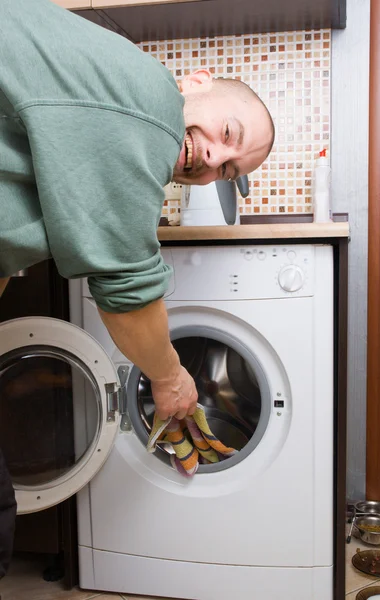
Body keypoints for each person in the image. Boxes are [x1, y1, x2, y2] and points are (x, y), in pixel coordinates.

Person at [0, 0, 274, 581]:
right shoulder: (150, 109)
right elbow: (126, 287)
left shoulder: (113, 102)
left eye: (228, 168)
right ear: (195, 81)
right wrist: (173, 381)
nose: (214, 158)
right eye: (229, 133)